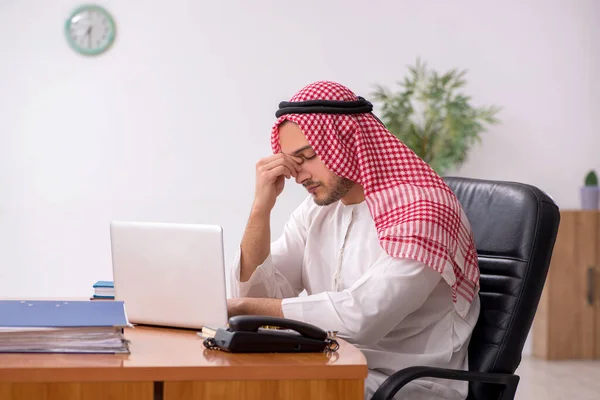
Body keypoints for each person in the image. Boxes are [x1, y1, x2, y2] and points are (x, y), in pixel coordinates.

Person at [226, 80, 481, 400]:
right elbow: (260, 295)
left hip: (403, 384)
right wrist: (260, 209)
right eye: (293, 162)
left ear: (347, 143)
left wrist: (246, 306)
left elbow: (363, 317)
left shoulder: (424, 213)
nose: (298, 174)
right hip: (333, 365)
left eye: (308, 156)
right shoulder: (317, 210)